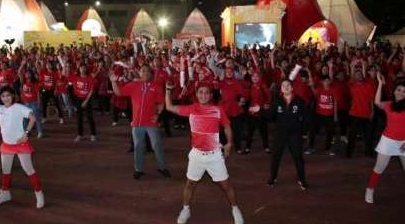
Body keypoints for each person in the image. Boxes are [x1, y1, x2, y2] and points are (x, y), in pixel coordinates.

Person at [165, 81, 244, 224]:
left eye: (206, 92)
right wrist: (168, 90)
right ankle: (186, 209)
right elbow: (169, 107)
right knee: (190, 184)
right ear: (196, 94)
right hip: (196, 155)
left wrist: (229, 143)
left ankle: (235, 208)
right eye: (200, 92)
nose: (203, 95)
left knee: (226, 185)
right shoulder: (191, 109)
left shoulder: (217, 110)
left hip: (214, 155)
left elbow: (227, 127)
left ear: (210, 95)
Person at [0, 85, 44, 208]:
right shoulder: (0, 108)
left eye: (8, 95)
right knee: (5, 171)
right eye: (3, 96)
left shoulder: (19, 107)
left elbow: (33, 118)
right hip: (7, 145)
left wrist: (26, 134)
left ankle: (39, 194)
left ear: (12, 96)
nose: (6, 98)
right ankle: (5, 193)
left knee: (29, 170)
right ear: (0, 97)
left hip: (21, 144)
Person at [110, 65, 170, 180]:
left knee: (157, 145)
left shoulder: (156, 87)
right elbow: (119, 92)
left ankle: (162, 168)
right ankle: (139, 169)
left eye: (147, 71)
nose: (145, 72)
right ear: (139, 73)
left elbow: (161, 103)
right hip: (137, 123)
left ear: (151, 74)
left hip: (151, 123)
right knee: (138, 146)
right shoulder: (134, 85)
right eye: (143, 71)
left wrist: (157, 115)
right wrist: (113, 82)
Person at [250, 79, 309, 190]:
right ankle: (273, 178)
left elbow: (306, 118)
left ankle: (302, 179)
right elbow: (270, 115)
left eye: (288, 85)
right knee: (275, 157)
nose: (285, 87)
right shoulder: (277, 101)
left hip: (294, 134)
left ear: (292, 88)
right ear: (281, 89)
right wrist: (260, 110)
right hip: (279, 134)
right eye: (283, 86)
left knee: (298, 158)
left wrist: (304, 133)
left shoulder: (299, 101)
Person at [365, 73, 405, 204]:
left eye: (404, 91)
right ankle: (370, 190)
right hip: (387, 141)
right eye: (399, 90)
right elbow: (376, 102)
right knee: (379, 168)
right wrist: (380, 84)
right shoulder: (389, 105)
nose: (401, 93)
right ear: (394, 91)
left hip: (404, 142)